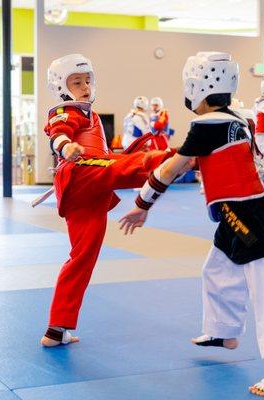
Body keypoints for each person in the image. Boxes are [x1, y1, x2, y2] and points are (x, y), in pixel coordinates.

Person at [119, 52, 264, 397]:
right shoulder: (237, 116)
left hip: (248, 216)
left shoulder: (209, 124)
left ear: (196, 87)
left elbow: (171, 169)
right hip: (239, 212)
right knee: (216, 269)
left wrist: (142, 204)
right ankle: (224, 331)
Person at [41, 54, 174, 347]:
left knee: (83, 257)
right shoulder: (66, 111)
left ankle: (56, 328)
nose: (85, 86)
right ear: (61, 88)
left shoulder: (91, 114)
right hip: (82, 174)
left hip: (89, 192)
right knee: (128, 166)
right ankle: (183, 156)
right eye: (76, 82)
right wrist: (66, 147)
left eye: (87, 80)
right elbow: (57, 133)